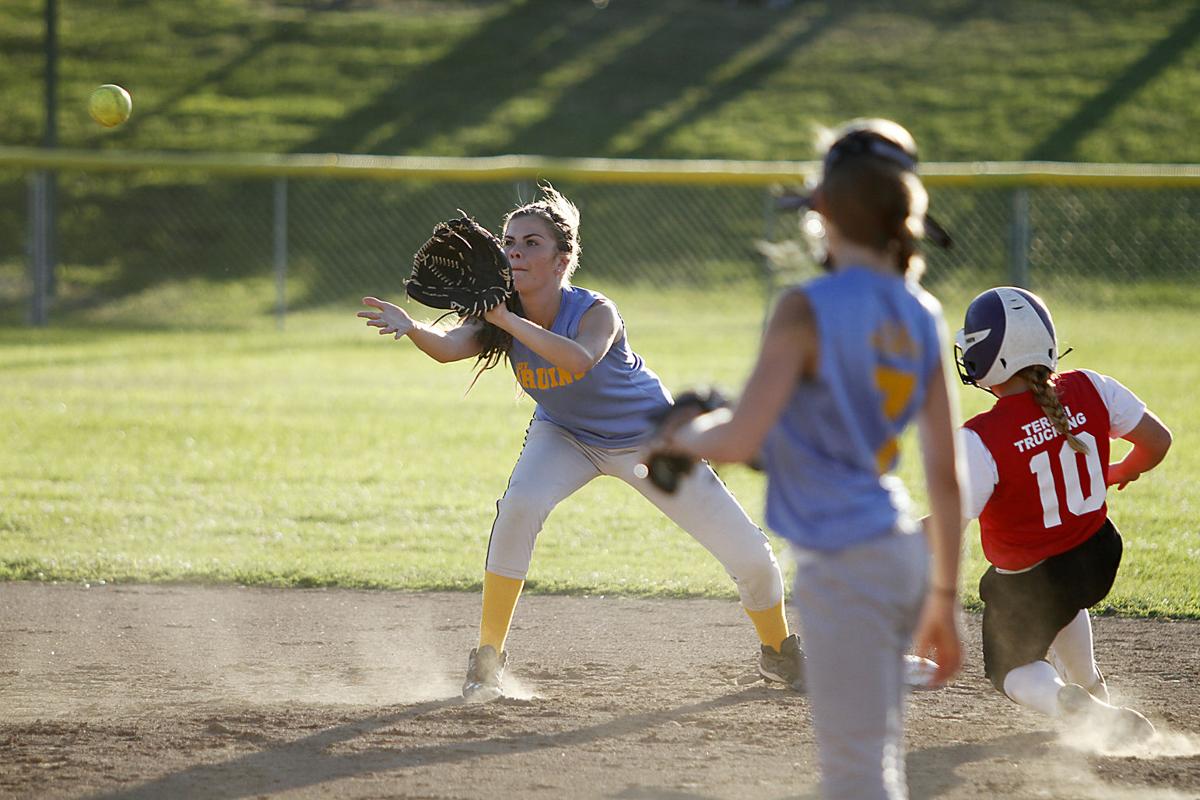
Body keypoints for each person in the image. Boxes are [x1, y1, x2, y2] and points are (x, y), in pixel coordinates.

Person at [357, 183, 805, 702]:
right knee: (519, 505)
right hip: (565, 435)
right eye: (509, 243)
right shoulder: (496, 311)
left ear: (562, 259)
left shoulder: (595, 311)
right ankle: (486, 659)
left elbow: (576, 360)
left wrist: (505, 318)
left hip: (648, 440)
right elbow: (450, 348)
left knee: (749, 556)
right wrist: (412, 327)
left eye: (531, 243)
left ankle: (779, 656)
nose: (515, 253)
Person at [648, 118, 964, 800]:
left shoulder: (805, 306)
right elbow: (944, 473)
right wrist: (944, 597)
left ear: (822, 208)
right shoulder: (923, 312)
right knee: (871, 758)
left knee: (856, 774)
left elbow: (736, 441)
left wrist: (681, 437)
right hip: (903, 554)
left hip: (842, 565)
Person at [954, 285, 1172, 747]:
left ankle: (1065, 702)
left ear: (989, 357)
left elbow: (953, 522)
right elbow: (1159, 441)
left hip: (1030, 579)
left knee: (1010, 670)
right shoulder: (1090, 385)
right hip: (1098, 555)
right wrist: (1119, 472)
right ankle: (1093, 692)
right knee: (1062, 598)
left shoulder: (981, 437)